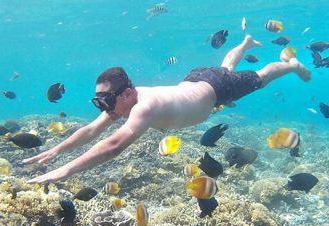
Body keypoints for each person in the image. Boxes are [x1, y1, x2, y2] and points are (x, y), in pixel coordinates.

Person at [24, 35, 311, 184]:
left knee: (260, 77)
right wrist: (57, 150)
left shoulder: (144, 106)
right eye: (99, 101)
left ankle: (291, 65)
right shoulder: (122, 101)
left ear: (127, 93)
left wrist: (65, 171)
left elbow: (113, 145)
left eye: (106, 101)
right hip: (197, 81)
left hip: (214, 88)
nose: (104, 108)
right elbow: (90, 130)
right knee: (224, 69)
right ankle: (245, 43)